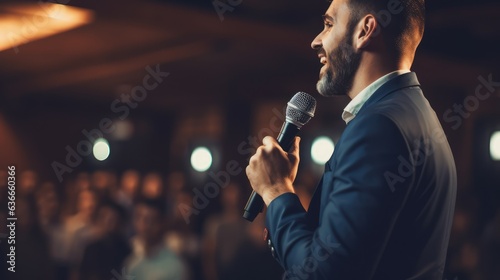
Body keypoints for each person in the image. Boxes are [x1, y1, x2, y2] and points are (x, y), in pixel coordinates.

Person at [245, 0, 457, 279]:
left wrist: (275, 191)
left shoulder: (378, 127)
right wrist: (285, 214)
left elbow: (323, 274)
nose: (315, 41)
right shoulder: (417, 115)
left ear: (365, 30)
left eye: (329, 24)